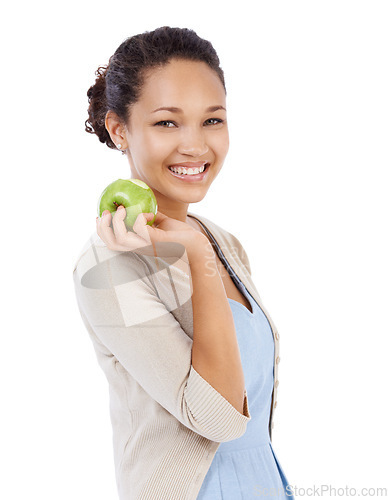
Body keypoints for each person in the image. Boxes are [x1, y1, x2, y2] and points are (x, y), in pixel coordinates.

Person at [73, 26, 294, 500]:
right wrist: (194, 257)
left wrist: (199, 248)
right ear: (119, 130)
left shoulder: (222, 241)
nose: (195, 145)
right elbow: (219, 418)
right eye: (167, 123)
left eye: (212, 121)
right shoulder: (107, 271)